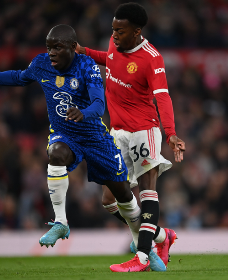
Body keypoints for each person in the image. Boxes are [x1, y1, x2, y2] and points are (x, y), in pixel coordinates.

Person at [0, 24, 151, 272]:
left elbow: (100, 104)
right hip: (64, 134)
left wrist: (84, 112)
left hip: (95, 136)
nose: (52, 53)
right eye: (49, 47)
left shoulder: (86, 65)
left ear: (71, 47)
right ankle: (60, 222)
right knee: (55, 154)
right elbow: (16, 77)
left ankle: (145, 245)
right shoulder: (41, 64)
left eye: (57, 47)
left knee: (123, 196)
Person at [76, 2, 186, 272]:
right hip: (117, 133)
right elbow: (109, 58)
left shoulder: (151, 58)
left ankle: (143, 255)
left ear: (137, 32)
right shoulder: (115, 44)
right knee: (109, 200)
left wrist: (170, 134)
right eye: (113, 29)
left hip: (143, 131)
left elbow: (163, 97)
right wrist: (85, 52)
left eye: (120, 31)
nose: (114, 35)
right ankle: (161, 236)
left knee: (148, 190)